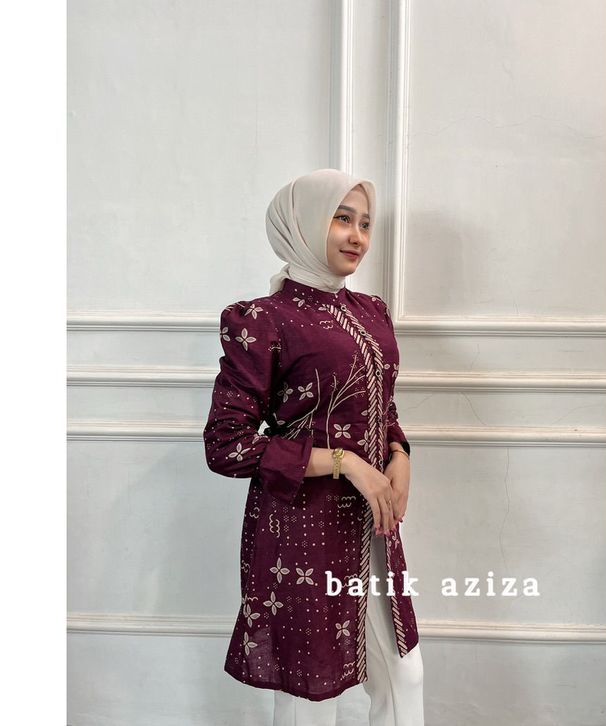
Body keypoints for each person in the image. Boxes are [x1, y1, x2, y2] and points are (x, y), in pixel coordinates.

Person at [203, 168, 424, 725]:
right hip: (300, 530)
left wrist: (399, 456)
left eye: (365, 223)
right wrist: (348, 464)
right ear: (302, 224)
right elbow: (226, 445)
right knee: (310, 698)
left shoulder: (372, 312)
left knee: (404, 674)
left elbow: (382, 406)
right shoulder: (262, 320)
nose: (357, 236)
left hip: (372, 525)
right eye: (341, 219)